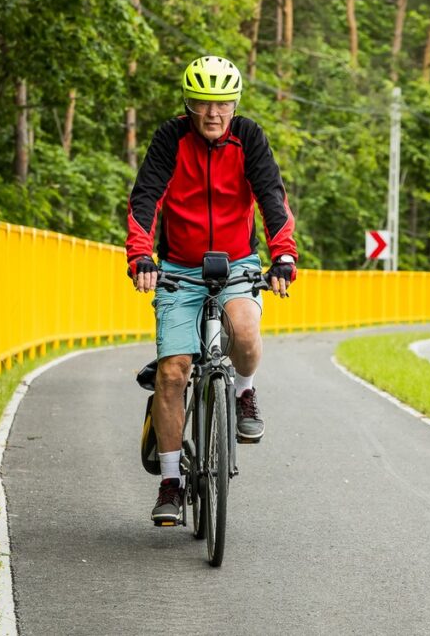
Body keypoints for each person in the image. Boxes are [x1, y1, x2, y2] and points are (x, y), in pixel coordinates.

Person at [126, 55, 297, 525]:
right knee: (173, 372)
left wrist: (283, 255)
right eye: (203, 103)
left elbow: (271, 198)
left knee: (243, 329)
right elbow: (146, 199)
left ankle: (244, 390)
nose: (213, 114)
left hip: (237, 260)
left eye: (222, 103)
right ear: (189, 105)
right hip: (179, 266)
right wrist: (141, 255)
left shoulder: (250, 138)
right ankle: (170, 482)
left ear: (235, 104)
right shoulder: (170, 138)